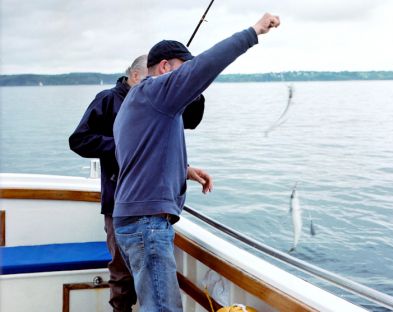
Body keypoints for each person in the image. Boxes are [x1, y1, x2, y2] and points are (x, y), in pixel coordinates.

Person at [112, 13, 280, 312]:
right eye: (182, 71)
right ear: (165, 67)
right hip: (147, 222)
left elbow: (138, 157)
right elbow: (207, 64)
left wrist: (184, 171)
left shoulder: (137, 100)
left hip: (134, 219)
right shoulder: (156, 92)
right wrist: (254, 32)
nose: (187, 81)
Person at [68, 55, 205, 312]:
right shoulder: (108, 100)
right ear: (134, 76)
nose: (155, 86)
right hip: (119, 201)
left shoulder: (156, 101)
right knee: (122, 273)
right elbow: (79, 140)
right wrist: (123, 146)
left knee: (149, 278)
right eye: (149, 80)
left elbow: (191, 121)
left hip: (153, 206)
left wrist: (184, 170)